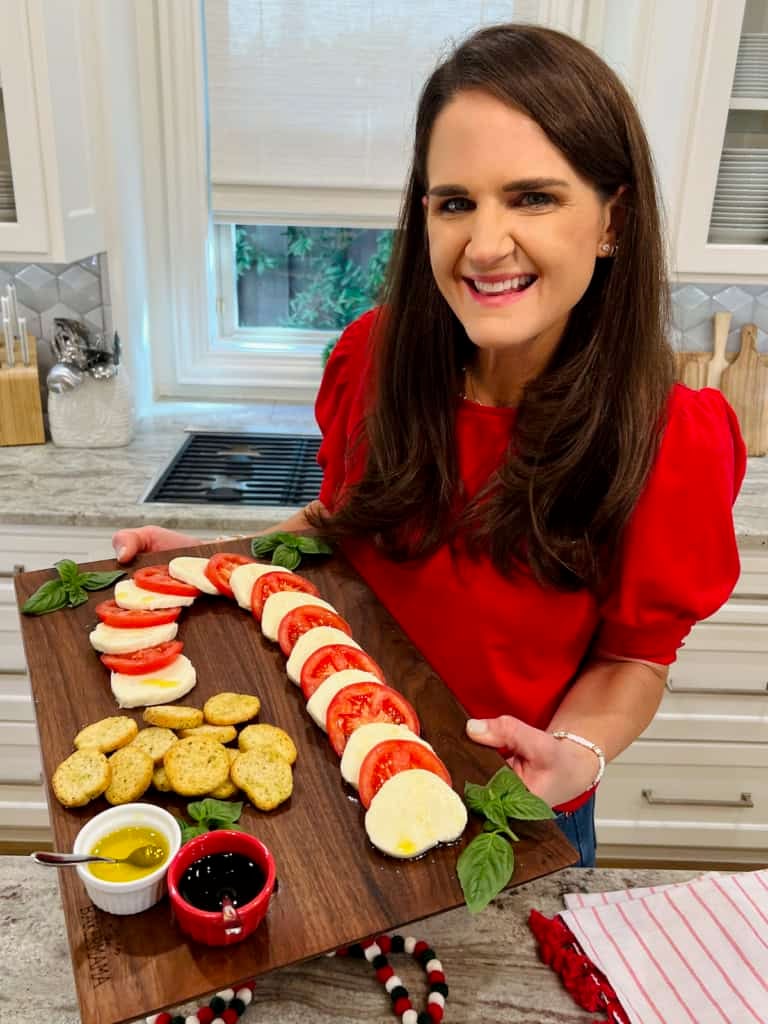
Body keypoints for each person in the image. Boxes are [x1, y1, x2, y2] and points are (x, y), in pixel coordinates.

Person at [113, 24, 746, 867]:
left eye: (533, 197)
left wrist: (577, 756)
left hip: (518, 803)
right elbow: (348, 524)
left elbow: (635, 657)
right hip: (335, 766)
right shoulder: (374, 361)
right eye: (456, 203)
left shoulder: (667, 441)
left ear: (613, 221)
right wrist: (218, 558)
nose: (484, 245)